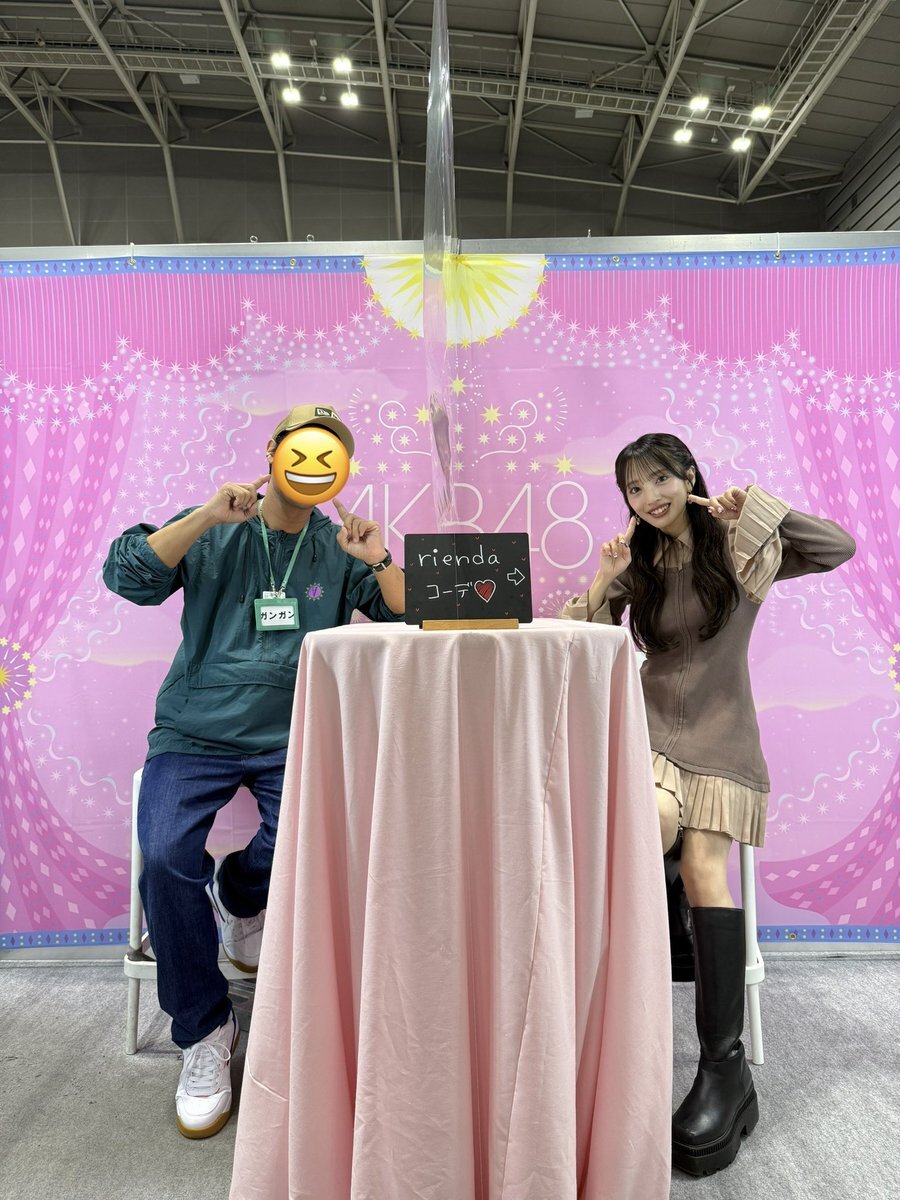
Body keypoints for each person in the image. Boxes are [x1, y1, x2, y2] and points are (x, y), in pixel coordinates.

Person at [103, 404, 405, 1140]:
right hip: (194, 731)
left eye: (331, 454)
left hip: (296, 734)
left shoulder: (341, 546)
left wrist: (379, 560)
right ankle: (205, 1030)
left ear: (343, 470)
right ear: (273, 450)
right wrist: (206, 515)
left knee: (313, 833)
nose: (313, 464)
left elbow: (417, 619)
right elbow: (127, 575)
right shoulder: (215, 524)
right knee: (166, 854)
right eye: (301, 448)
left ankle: (240, 891)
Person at [561, 432, 854, 1177]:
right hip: (646, 735)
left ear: (688, 474)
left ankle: (723, 1067)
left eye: (659, 479)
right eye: (633, 489)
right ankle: (627, 1006)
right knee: (649, 824)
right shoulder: (640, 559)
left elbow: (836, 547)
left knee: (702, 869)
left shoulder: (738, 542)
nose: (649, 498)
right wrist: (603, 580)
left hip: (723, 741)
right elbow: (581, 644)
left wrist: (756, 507)